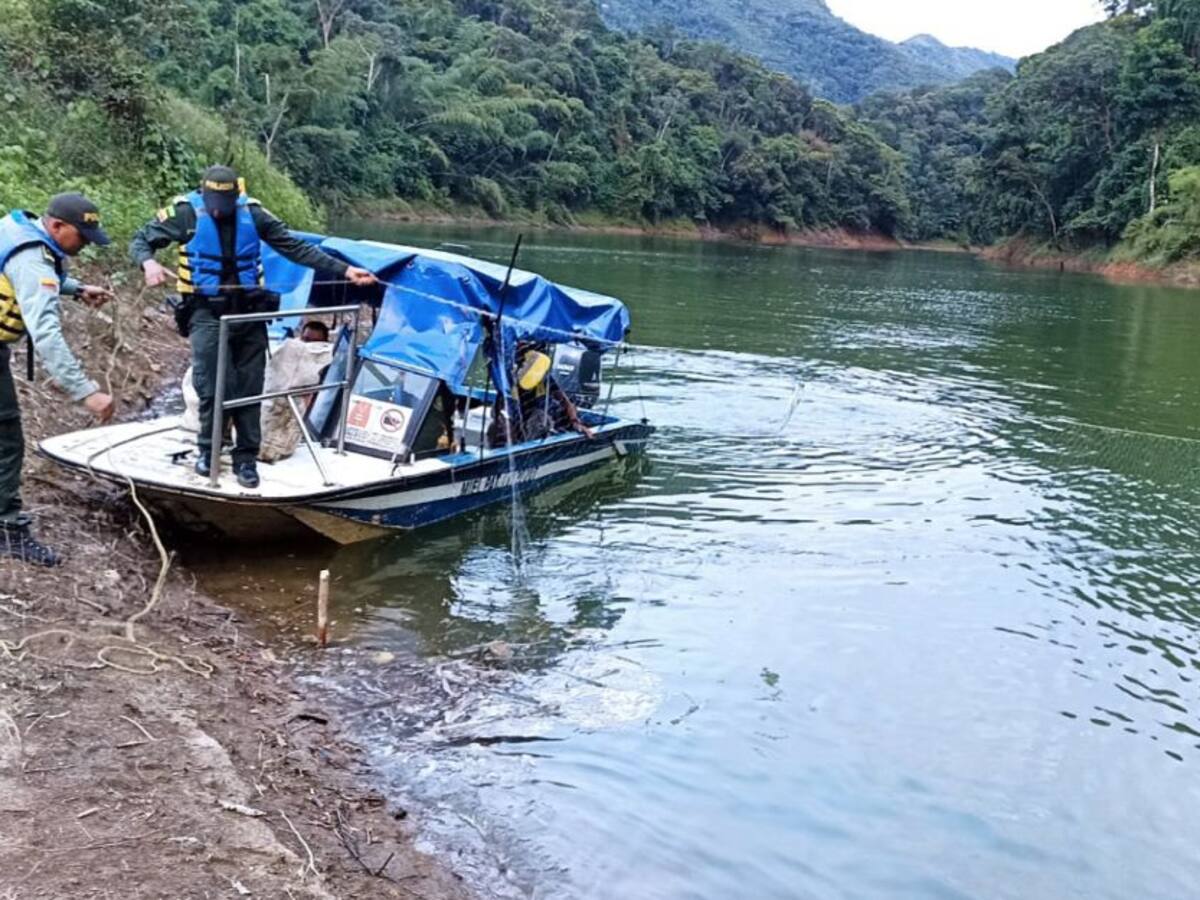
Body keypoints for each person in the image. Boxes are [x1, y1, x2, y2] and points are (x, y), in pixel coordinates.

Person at [130, 165, 376, 488]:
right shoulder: (185, 213)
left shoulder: (254, 213)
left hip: (249, 313)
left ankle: (246, 458)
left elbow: (295, 247)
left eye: (225, 201)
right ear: (203, 194)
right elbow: (140, 241)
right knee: (212, 384)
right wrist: (148, 263)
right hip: (206, 312)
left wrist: (344, 270)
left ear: (237, 195)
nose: (218, 209)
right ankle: (209, 449)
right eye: (213, 200)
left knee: (249, 387)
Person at [0, 193, 117, 566]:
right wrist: (86, 392)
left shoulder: (17, 228)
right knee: (7, 439)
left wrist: (77, 288)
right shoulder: (34, 259)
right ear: (56, 226)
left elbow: (25, 271)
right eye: (80, 236)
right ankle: (7, 529)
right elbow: (47, 334)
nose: (83, 244)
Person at [489, 341, 594, 446]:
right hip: (519, 420)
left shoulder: (542, 377)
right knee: (495, 425)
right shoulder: (508, 377)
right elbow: (498, 408)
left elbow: (566, 402)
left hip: (541, 420)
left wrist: (575, 421)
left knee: (538, 420)